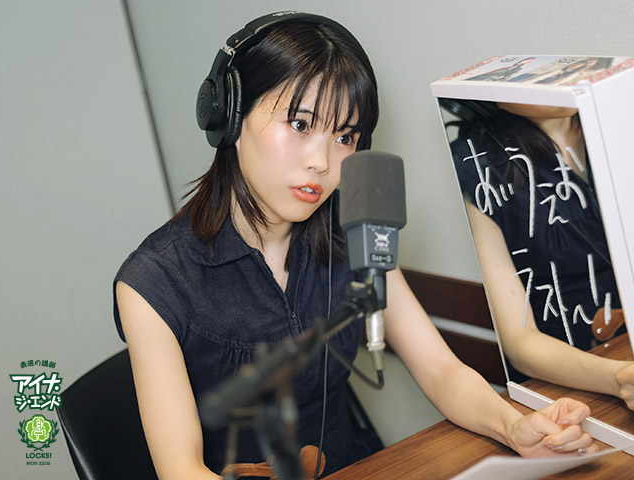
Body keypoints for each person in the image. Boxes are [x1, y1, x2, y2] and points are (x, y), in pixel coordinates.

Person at [114, 13, 597, 480]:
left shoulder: (355, 224)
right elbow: (181, 470)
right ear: (231, 118)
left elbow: (441, 370)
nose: (323, 162)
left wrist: (514, 428)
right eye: (300, 125)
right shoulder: (153, 283)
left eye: (345, 136)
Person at [444, 98, 634, 409]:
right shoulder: (480, 160)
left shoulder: (617, 119)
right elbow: (518, 338)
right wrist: (618, 378)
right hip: (572, 381)